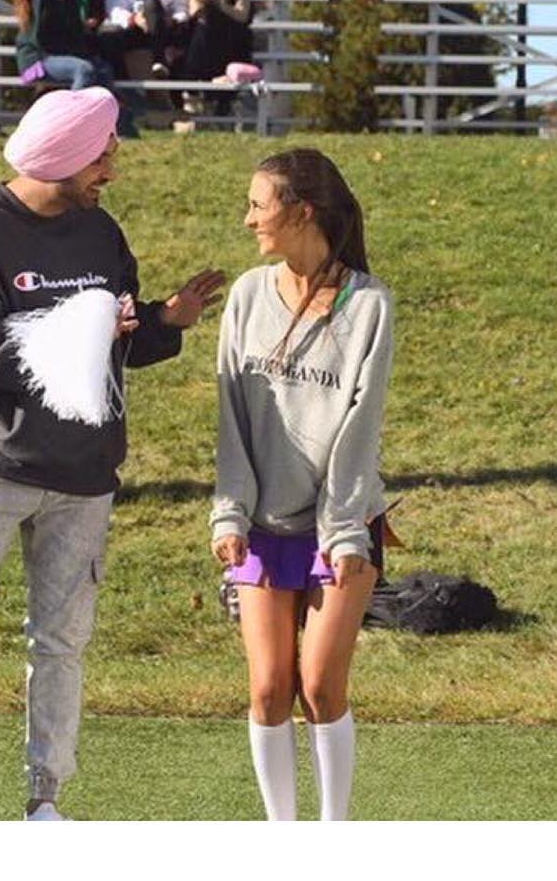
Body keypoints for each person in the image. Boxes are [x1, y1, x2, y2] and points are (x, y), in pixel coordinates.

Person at [0, 87, 225, 821]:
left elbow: (120, 340)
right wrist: (91, 328)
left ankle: (45, 806)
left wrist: (164, 320)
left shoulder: (100, 233)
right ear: (63, 153)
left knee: (61, 645)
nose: (110, 172)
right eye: (101, 157)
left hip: (85, 476)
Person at [209, 148, 393, 822]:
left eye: (258, 204)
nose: (248, 218)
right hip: (261, 524)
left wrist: (343, 533)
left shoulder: (369, 305)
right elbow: (231, 417)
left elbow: (359, 428)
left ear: (301, 211)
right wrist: (229, 515)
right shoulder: (247, 296)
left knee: (318, 685)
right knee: (267, 688)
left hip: (340, 522)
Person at [14, 0, 114, 92]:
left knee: (103, 70)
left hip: (59, 57)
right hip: (35, 64)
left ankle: (106, 107)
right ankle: (75, 108)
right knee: (83, 69)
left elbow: (74, 33)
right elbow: (40, 40)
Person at [182, 0, 255, 113]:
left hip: (230, 30)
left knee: (212, 14)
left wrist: (219, 2)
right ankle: (197, 88)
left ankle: (198, 88)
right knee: (203, 20)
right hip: (201, 33)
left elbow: (242, 14)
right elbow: (193, 11)